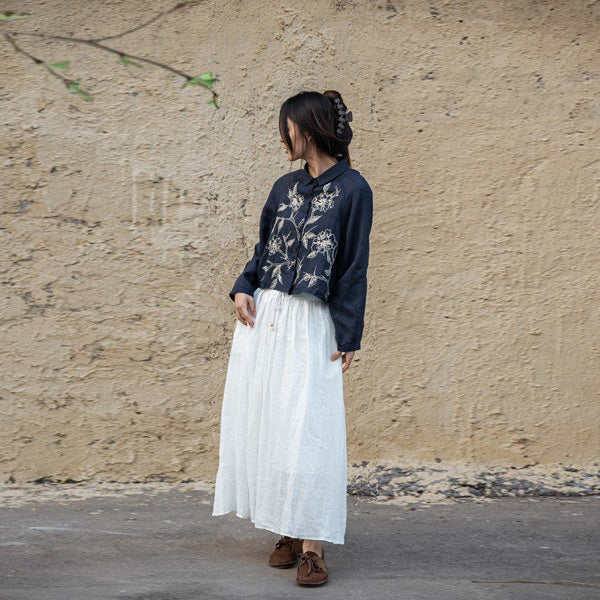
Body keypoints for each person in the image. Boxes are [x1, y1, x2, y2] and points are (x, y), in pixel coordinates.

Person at [212, 90, 374, 587]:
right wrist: (243, 287)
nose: (282, 137)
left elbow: (353, 266)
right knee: (273, 425)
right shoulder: (283, 187)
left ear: (309, 129)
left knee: (310, 428)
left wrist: (349, 333)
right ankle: (285, 528)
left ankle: (313, 547)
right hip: (266, 318)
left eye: (287, 128)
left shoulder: (353, 189)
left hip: (311, 321)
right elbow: (265, 248)